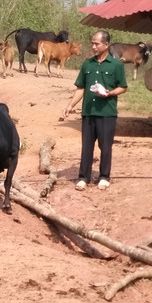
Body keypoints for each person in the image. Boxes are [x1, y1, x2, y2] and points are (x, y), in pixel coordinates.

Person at [62, 30, 127, 191]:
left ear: (106, 45)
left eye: (96, 43)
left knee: (105, 146)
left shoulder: (116, 65)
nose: (93, 46)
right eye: (92, 43)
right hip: (89, 112)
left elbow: (123, 87)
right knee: (86, 146)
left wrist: (110, 93)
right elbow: (81, 88)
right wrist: (70, 106)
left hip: (107, 112)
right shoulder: (87, 64)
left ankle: (104, 176)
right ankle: (83, 177)